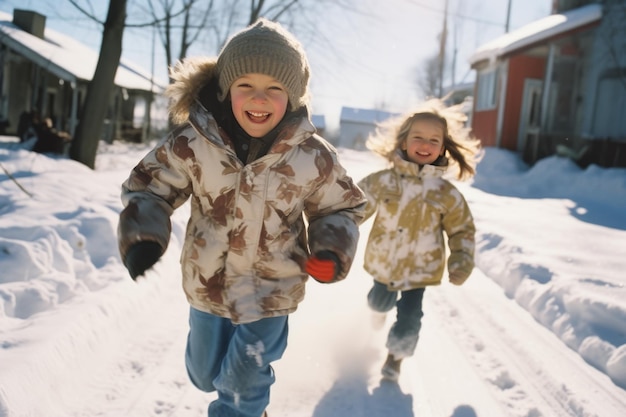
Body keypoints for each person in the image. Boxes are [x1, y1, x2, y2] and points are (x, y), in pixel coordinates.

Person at [117, 18, 365, 417]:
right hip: (207, 283)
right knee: (205, 376)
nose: (259, 99)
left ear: (294, 96)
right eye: (245, 86)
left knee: (238, 386)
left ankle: (244, 407)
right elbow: (150, 188)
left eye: (274, 89)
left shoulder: (311, 156)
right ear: (225, 89)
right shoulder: (193, 143)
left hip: (272, 289)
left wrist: (332, 248)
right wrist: (144, 234)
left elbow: (341, 206)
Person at [357, 99, 481, 382]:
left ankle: (395, 358)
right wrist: (334, 234)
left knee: (410, 319)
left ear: (443, 147)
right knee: (379, 302)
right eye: (418, 137)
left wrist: (461, 260)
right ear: (404, 141)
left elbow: (462, 229)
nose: (425, 144)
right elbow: (352, 209)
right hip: (383, 263)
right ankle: (378, 312)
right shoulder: (382, 182)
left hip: (420, 269)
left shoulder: (445, 193)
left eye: (433, 140)